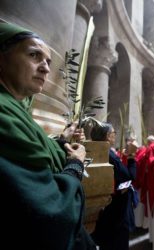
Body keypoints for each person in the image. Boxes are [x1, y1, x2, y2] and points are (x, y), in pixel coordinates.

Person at [0, 21, 95, 249]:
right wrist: (74, 165)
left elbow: (34, 146)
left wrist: (62, 140)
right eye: (34, 55)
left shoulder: (16, 110)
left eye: (48, 61)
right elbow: (51, 216)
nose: (45, 68)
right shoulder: (4, 113)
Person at [90, 122, 138, 250]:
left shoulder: (94, 151)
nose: (115, 136)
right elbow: (129, 177)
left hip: (104, 208)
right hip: (116, 211)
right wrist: (132, 157)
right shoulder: (109, 154)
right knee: (116, 243)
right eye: (113, 134)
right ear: (107, 136)